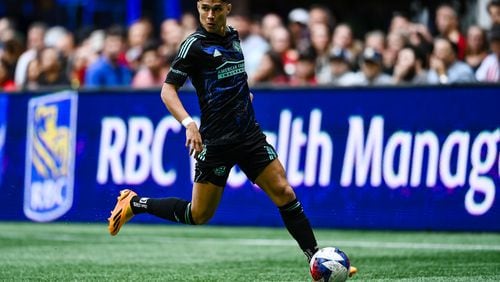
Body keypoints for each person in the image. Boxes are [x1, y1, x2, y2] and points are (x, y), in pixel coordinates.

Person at [107, 0, 357, 278]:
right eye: (204, 8)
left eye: (215, 8)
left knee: (284, 192)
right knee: (198, 215)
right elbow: (168, 91)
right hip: (215, 142)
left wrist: (242, 97)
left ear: (227, 7)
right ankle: (135, 203)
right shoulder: (194, 45)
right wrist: (189, 123)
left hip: (249, 135)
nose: (210, 15)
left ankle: (317, 259)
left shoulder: (234, 37)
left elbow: (236, 77)